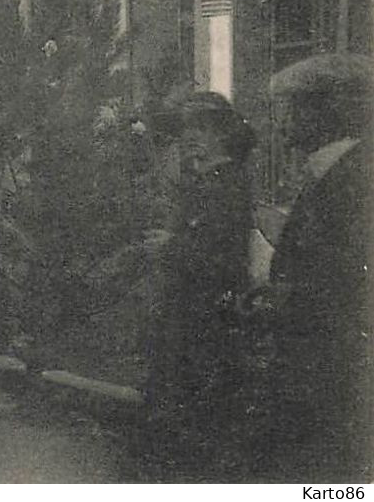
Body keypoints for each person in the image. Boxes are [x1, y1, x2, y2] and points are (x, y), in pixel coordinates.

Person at [135, 90, 260, 480]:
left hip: (207, 312)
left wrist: (173, 245)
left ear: (223, 134)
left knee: (198, 403)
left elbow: (225, 257)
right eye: (187, 129)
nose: (191, 137)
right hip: (183, 309)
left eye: (202, 128)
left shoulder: (226, 185)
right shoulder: (201, 181)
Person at [259, 54, 371, 482]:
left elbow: (348, 279)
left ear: (321, 110)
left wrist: (287, 298)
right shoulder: (334, 171)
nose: (280, 125)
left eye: (285, 110)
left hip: (330, 370)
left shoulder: (352, 178)